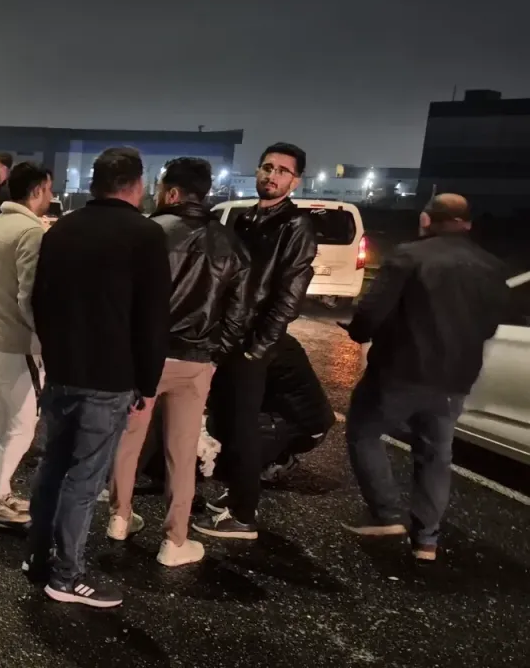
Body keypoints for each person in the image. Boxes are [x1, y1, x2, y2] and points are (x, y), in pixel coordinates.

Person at [26, 147, 171, 608]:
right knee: (85, 480)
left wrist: (55, 355)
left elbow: (40, 301)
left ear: (95, 183)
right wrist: (147, 383)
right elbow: (152, 319)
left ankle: (38, 557)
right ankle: (66, 576)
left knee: (53, 465)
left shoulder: (61, 229)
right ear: (136, 184)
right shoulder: (145, 235)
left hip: (63, 372)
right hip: (109, 377)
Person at [341, 194, 509, 561]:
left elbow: (372, 310)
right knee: (435, 455)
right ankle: (426, 541)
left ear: (426, 219)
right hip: (455, 378)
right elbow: (491, 323)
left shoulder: (409, 256)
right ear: (467, 223)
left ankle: (387, 513)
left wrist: (358, 332)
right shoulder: (492, 266)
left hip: (399, 370)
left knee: (363, 431)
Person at [107, 157, 249, 567]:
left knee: (128, 440)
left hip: (143, 358)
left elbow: (122, 298)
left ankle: (119, 518)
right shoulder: (229, 244)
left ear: (171, 192)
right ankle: (175, 540)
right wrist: (215, 354)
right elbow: (239, 312)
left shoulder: (147, 233)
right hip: (195, 361)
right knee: (182, 453)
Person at [195, 142, 317, 540]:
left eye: (282, 170)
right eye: (267, 167)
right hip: (231, 335)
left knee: (244, 427)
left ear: (295, 181)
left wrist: (258, 347)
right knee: (227, 422)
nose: (271, 175)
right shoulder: (245, 219)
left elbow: (289, 297)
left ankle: (243, 514)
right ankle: (237, 495)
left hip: (253, 342)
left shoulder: (296, 226)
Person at [0, 162, 54, 529]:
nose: (51, 196)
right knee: (21, 426)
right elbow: (29, 297)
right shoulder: (30, 232)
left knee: (4, 424)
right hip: (18, 345)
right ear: (36, 191)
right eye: (49, 189)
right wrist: (46, 340)